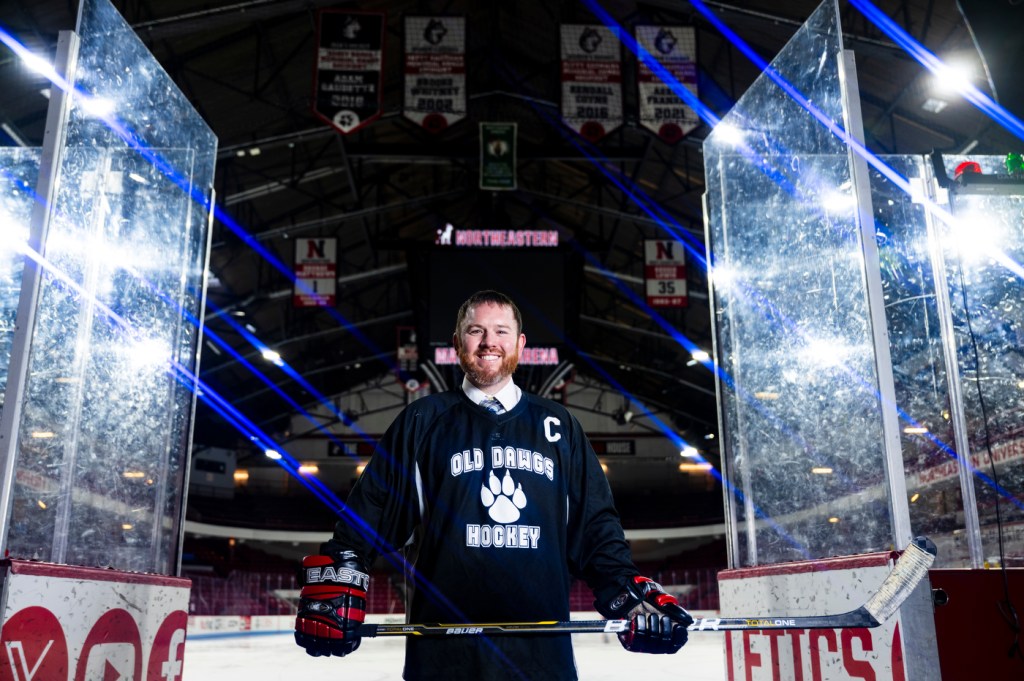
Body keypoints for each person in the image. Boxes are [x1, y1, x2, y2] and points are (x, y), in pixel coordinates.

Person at [294, 290, 692, 680]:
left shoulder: (559, 426)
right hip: (443, 662)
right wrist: (340, 573)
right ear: (456, 343)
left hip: (542, 662)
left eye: (501, 331)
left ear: (520, 344)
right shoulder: (423, 420)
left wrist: (627, 596)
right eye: (475, 331)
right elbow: (372, 511)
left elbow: (595, 530)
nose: (489, 343)